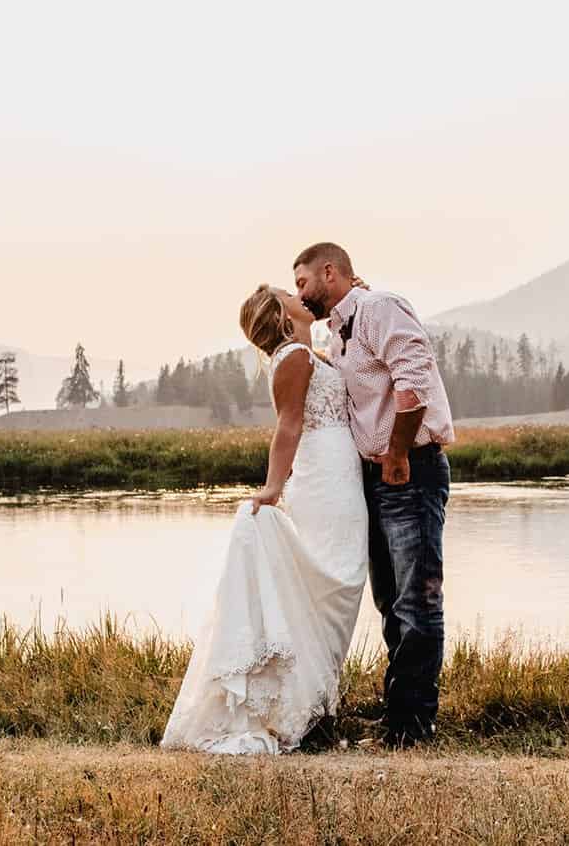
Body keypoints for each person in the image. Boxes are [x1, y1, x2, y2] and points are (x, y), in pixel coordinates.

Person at [159, 284, 368, 754]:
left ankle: (315, 705)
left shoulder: (307, 352)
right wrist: (274, 488)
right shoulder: (293, 357)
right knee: (335, 578)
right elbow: (288, 425)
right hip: (323, 475)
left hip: (339, 468)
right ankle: (308, 709)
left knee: (342, 578)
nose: (299, 294)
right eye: (286, 291)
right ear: (279, 311)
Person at [292, 242, 454, 746]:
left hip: (411, 469)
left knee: (417, 601)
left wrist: (400, 454)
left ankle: (413, 727)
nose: (301, 295)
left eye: (302, 284)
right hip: (376, 477)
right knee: (390, 600)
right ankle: (399, 719)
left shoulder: (380, 307)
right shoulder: (337, 334)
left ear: (329, 272)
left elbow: (415, 380)